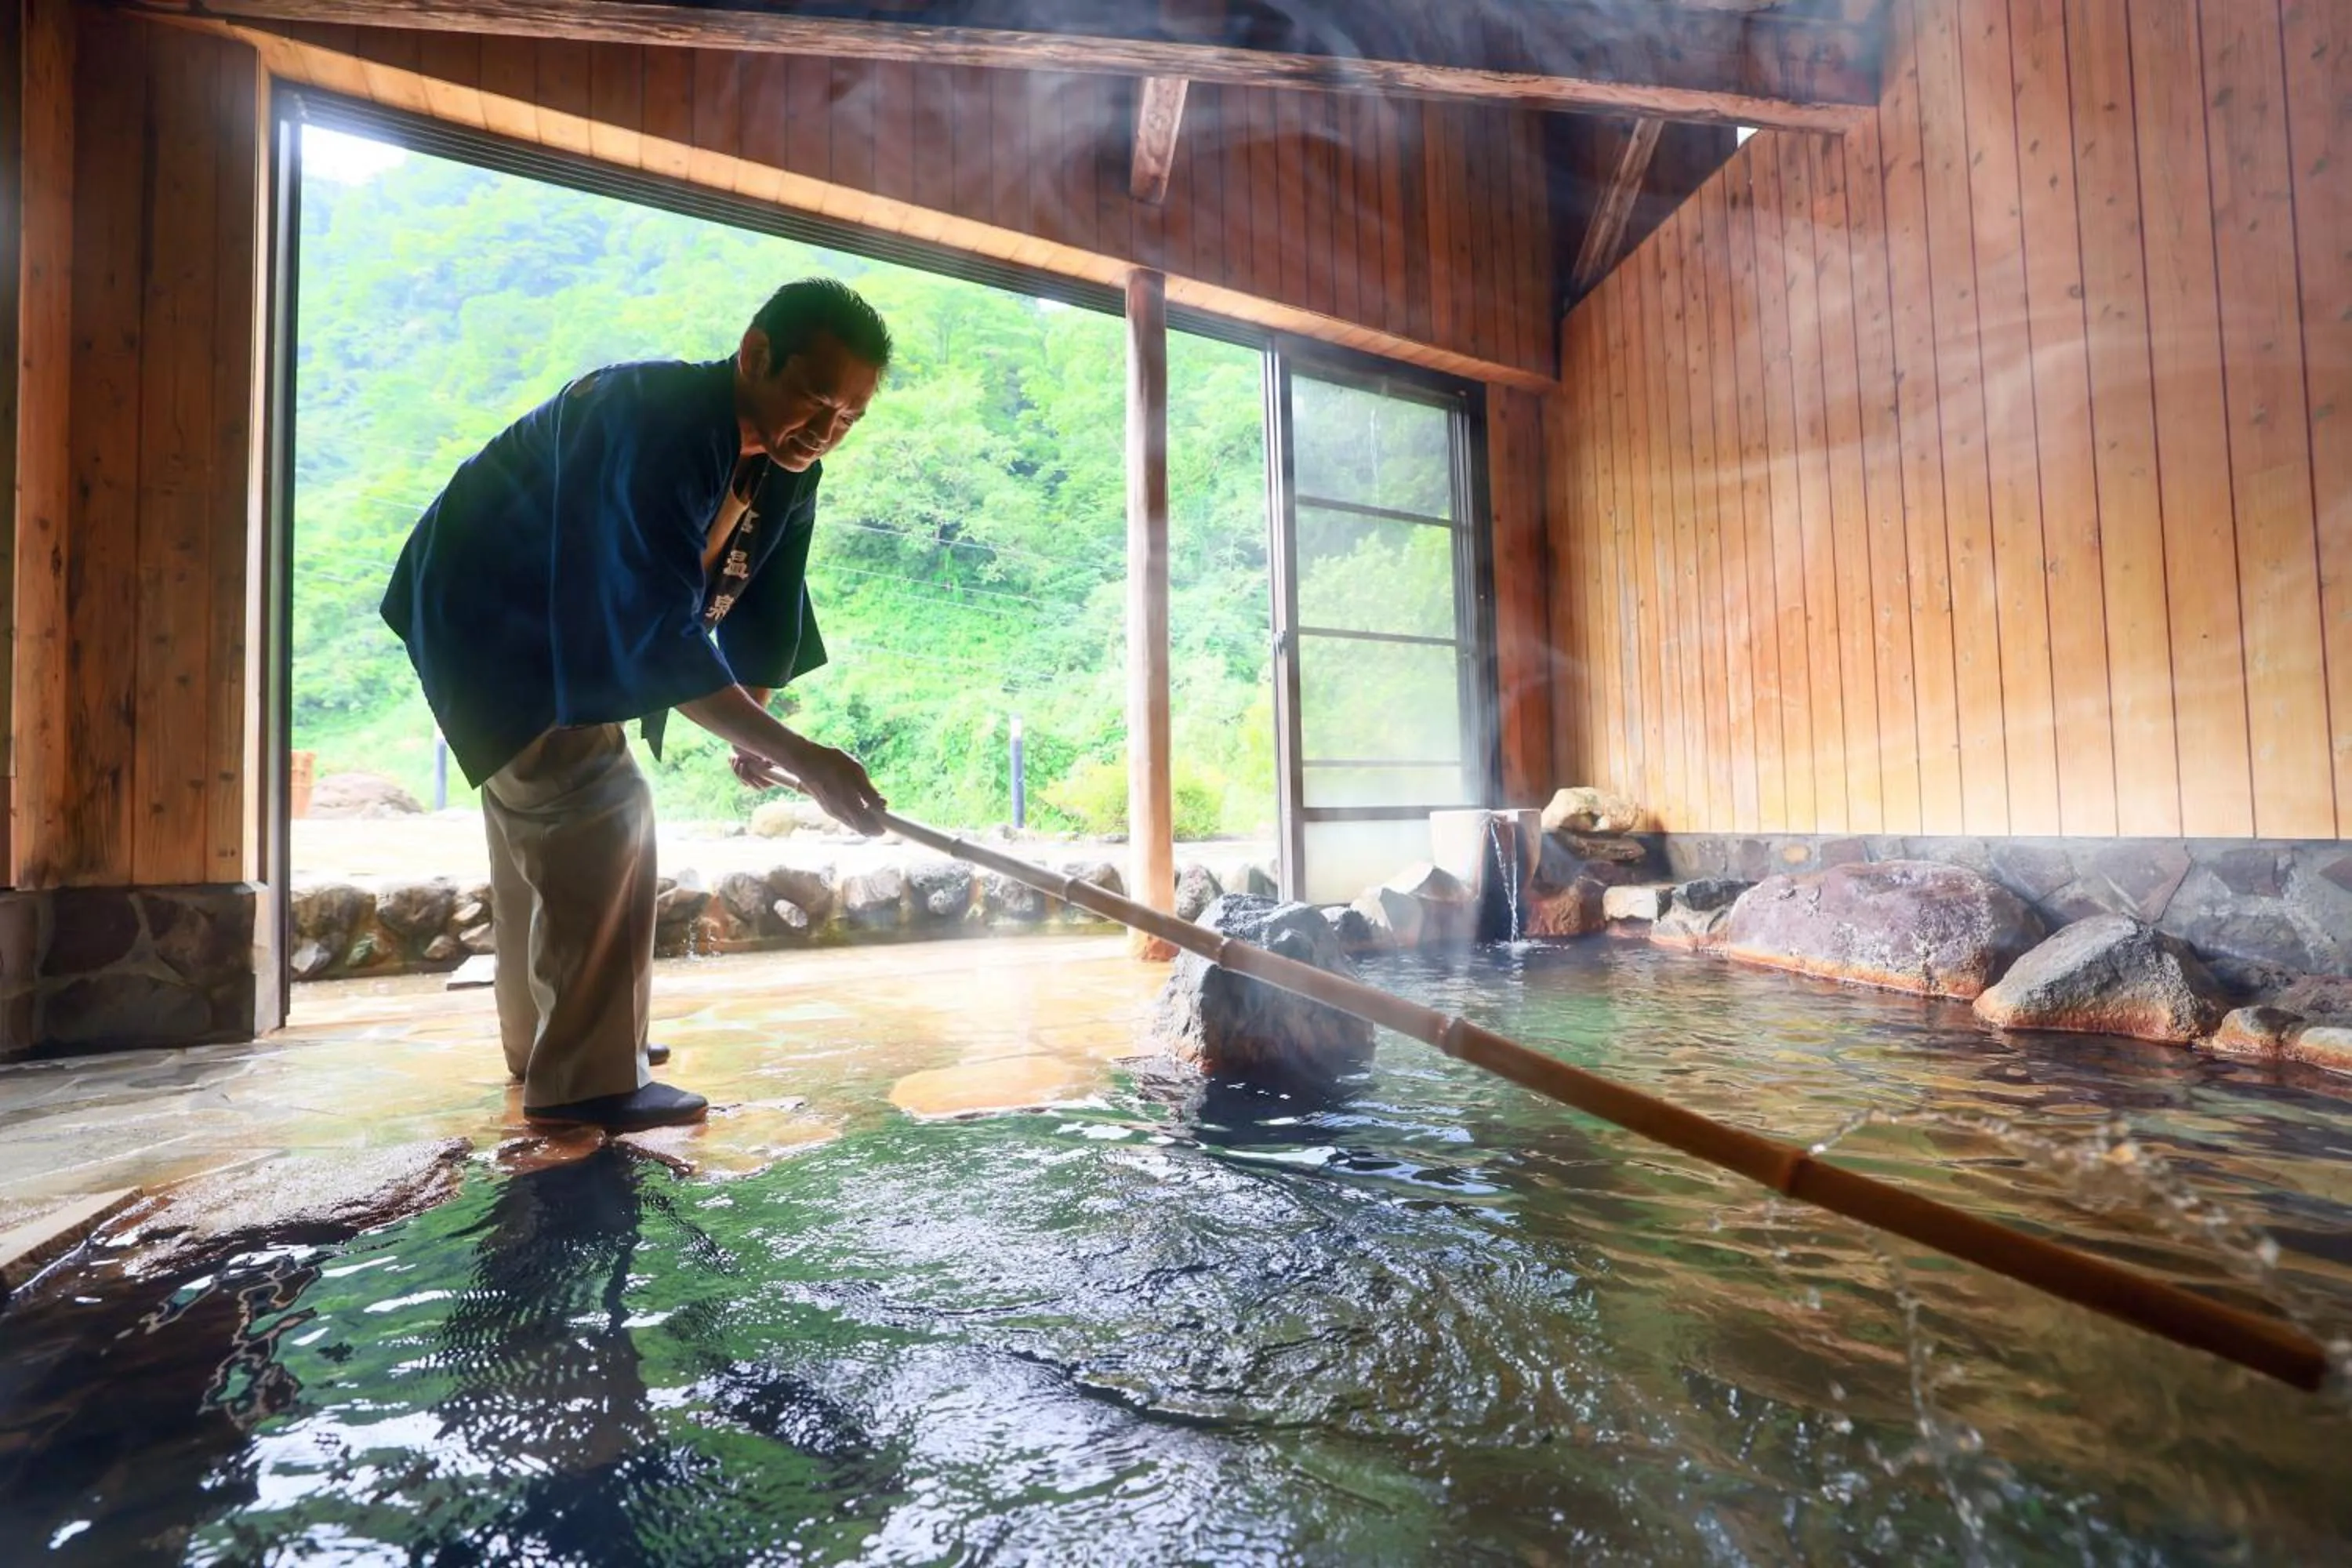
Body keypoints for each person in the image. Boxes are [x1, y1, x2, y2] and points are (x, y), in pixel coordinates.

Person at [383, 278, 892, 1132]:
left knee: (540, 826)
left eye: (848, 419)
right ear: (755, 353)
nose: (826, 431)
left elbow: (765, 596)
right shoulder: (652, 416)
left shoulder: (791, 461)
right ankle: (586, 1078)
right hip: (493, 614)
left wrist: (759, 724)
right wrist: (805, 758)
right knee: (600, 807)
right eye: (814, 401)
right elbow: (649, 629)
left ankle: (554, 1040)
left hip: (553, 629)